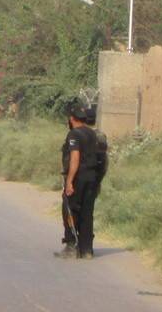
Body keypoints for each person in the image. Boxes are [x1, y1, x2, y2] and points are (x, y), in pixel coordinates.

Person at [59, 103, 106, 259]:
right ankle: (87, 250)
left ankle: (71, 246)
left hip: (79, 177)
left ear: (72, 119)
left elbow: (75, 158)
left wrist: (70, 181)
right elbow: (102, 159)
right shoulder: (94, 134)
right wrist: (98, 180)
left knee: (70, 210)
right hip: (92, 177)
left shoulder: (74, 134)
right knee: (87, 212)